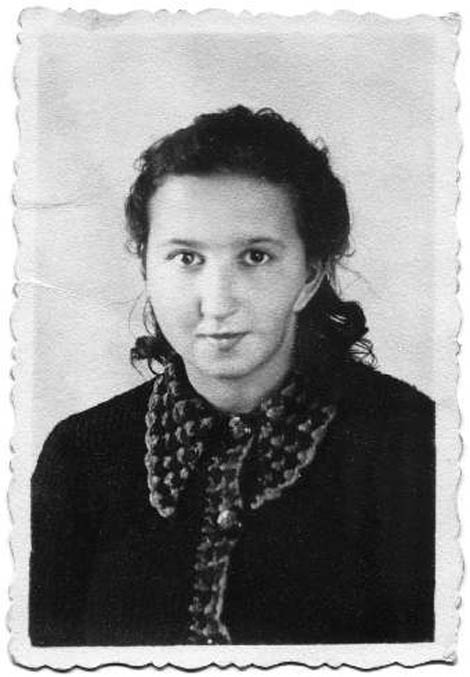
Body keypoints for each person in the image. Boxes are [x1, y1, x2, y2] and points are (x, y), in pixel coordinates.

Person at [29, 105, 435, 647]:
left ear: (310, 274)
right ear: (146, 267)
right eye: (186, 258)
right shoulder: (80, 455)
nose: (217, 303)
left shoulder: (412, 440)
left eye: (256, 257)